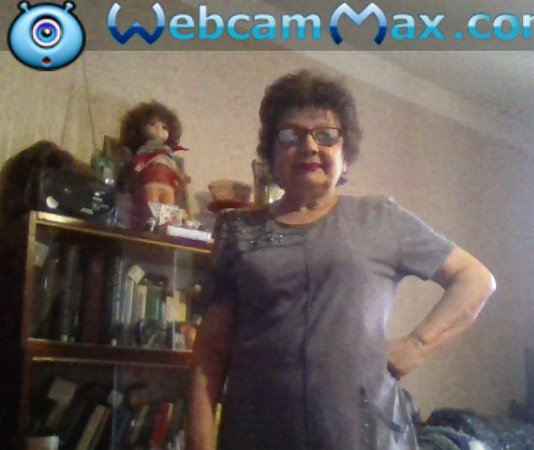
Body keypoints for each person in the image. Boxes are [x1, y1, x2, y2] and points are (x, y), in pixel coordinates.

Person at [188, 70, 496, 450]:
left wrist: (417, 344)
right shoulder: (237, 231)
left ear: (345, 156)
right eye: (291, 135)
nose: (309, 146)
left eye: (326, 135)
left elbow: (475, 279)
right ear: (271, 154)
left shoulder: (381, 218)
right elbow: (210, 356)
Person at [119, 100, 189, 206]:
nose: (159, 129)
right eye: (152, 124)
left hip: (168, 183)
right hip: (151, 180)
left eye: (164, 127)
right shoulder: (145, 151)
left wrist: (180, 177)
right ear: (139, 129)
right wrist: (134, 173)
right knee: (152, 204)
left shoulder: (169, 155)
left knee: (169, 206)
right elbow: (140, 163)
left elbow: (173, 168)